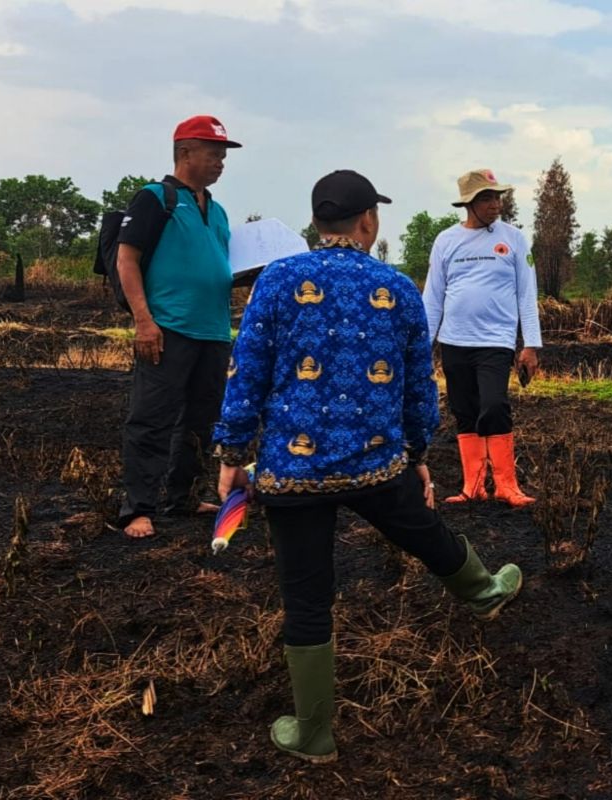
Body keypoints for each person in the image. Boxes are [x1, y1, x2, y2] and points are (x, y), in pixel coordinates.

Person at [212, 170, 523, 763]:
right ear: (367, 222)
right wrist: (417, 454)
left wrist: (231, 455)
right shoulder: (396, 287)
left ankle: (314, 733)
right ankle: (483, 591)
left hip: (291, 473)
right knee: (423, 532)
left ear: (316, 222)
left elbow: (245, 373)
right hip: (378, 465)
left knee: (306, 596)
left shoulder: (276, 283)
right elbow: (416, 389)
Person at [117, 115, 241, 539]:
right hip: (169, 328)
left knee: (201, 421)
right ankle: (138, 508)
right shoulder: (155, 199)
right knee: (151, 419)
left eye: (223, 156)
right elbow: (126, 259)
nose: (221, 163)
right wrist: (144, 322)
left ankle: (183, 496)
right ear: (185, 152)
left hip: (213, 332)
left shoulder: (218, 210)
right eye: (213, 154)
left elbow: (223, 265)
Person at [422, 169, 542, 507]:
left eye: (497, 197)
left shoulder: (514, 239)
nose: (496, 204)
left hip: (496, 341)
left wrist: (530, 344)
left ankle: (507, 484)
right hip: (454, 341)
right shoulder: (446, 240)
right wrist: (421, 346)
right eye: (487, 198)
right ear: (469, 204)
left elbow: (526, 294)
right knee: (464, 410)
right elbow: (433, 297)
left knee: (493, 406)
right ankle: (473, 485)